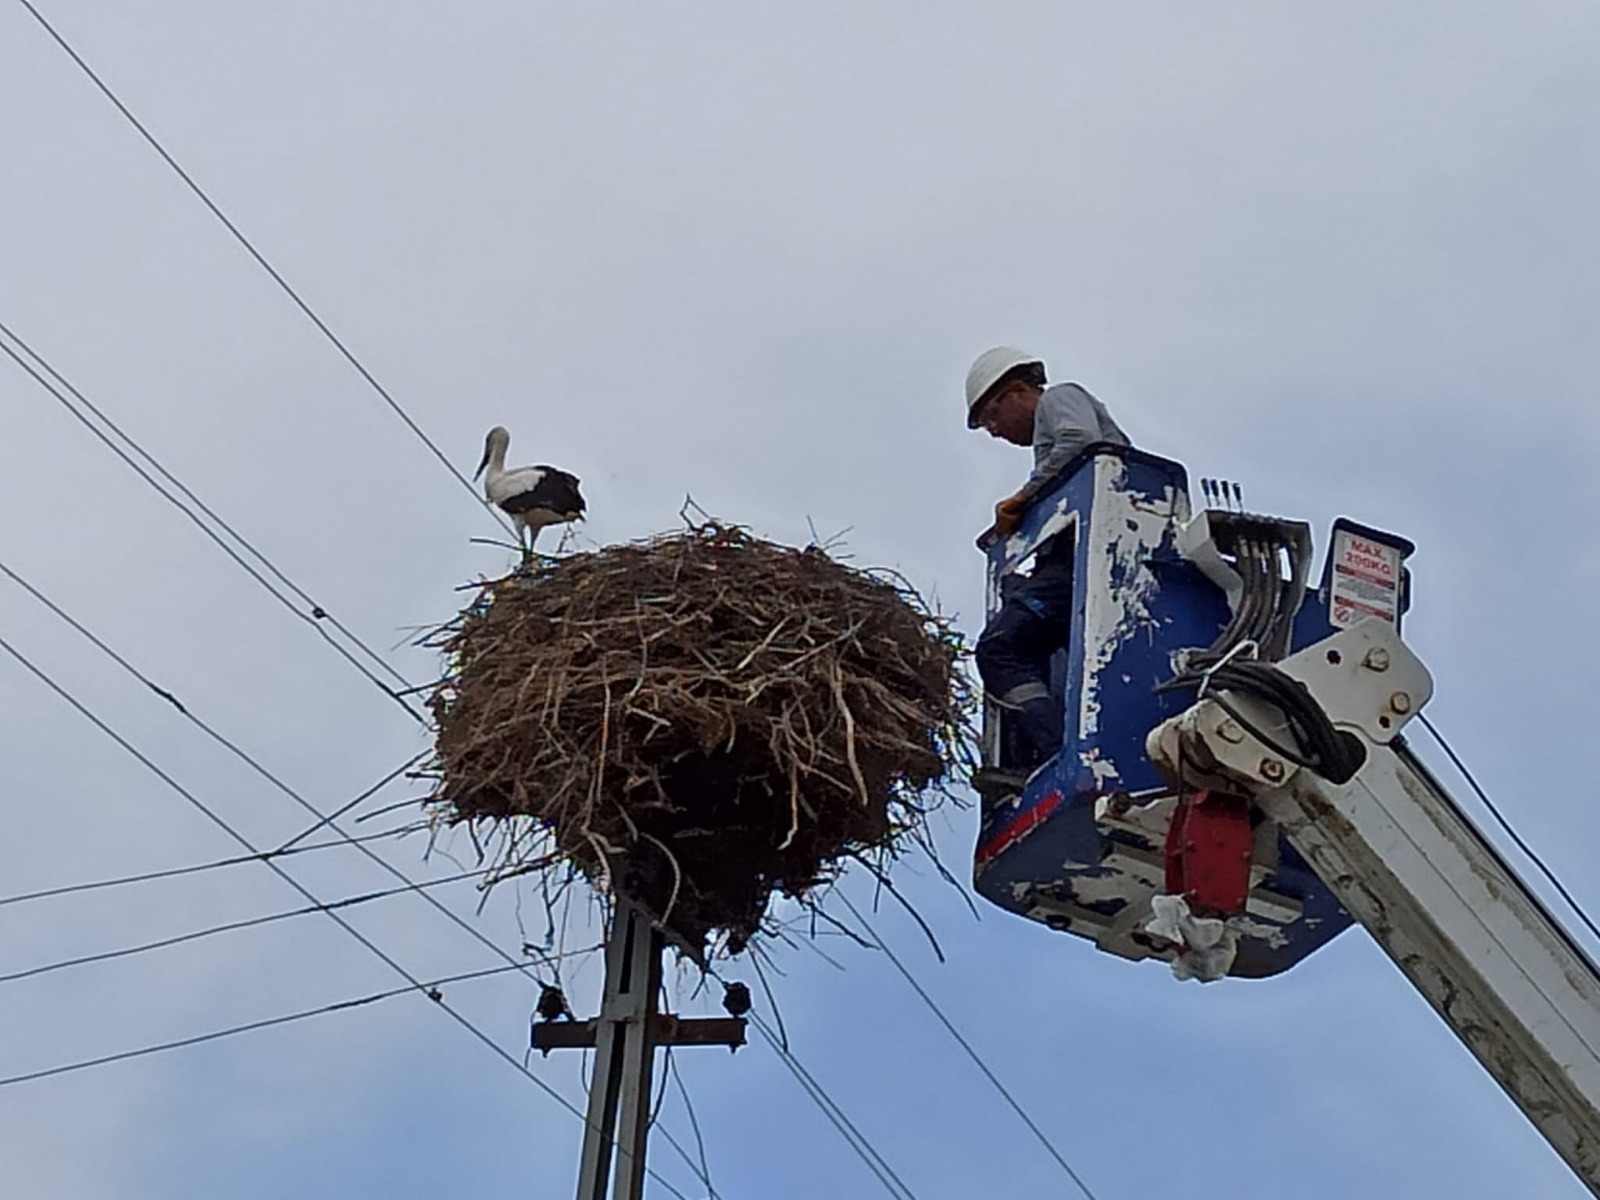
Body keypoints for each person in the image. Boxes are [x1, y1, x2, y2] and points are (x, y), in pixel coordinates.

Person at [965, 346, 1131, 771]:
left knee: (1000, 647)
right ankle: (1035, 752)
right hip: (1072, 562)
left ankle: (1056, 748)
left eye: (991, 419)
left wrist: (1022, 499)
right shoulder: (1047, 448)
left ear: (1018, 390)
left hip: (1085, 560)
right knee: (1020, 625)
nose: (995, 432)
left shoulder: (1060, 397)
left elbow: (1080, 441)